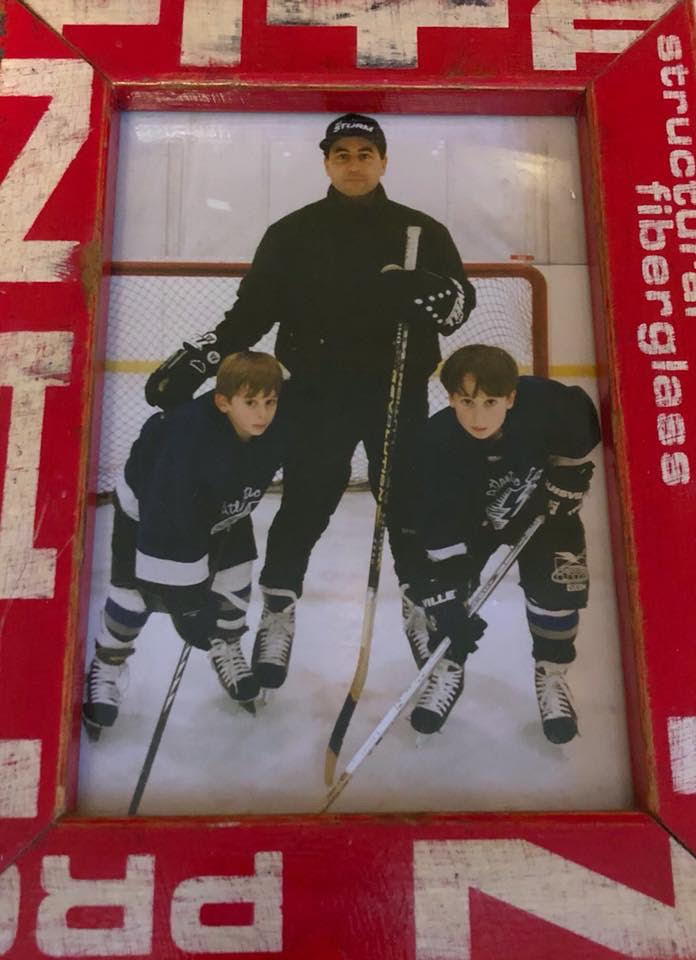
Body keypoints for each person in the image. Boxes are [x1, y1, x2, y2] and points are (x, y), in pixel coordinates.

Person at [144, 113, 476, 693]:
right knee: (306, 503)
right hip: (317, 395)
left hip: (395, 392)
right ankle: (278, 606)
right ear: (326, 162)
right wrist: (205, 352)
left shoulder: (420, 231)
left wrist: (431, 293)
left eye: (364, 153)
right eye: (342, 153)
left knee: (406, 505)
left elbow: (459, 306)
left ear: (383, 161)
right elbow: (251, 313)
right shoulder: (292, 232)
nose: (354, 163)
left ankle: (419, 604)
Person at [83, 351, 287, 738]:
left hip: (221, 508)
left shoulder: (274, 423)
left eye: (269, 401)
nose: (262, 413)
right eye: (250, 403)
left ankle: (226, 646)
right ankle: (107, 664)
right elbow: (169, 529)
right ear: (222, 401)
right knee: (133, 595)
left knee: (235, 576)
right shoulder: (186, 446)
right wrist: (190, 606)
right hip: (150, 512)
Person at [407, 344, 600, 744]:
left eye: (491, 402)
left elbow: (583, 424)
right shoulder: (434, 444)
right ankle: (447, 667)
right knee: (445, 597)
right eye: (466, 401)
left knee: (558, 591)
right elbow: (431, 530)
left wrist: (572, 471)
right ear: (450, 398)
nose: (478, 417)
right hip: (471, 526)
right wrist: (441, 594)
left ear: (511, 397)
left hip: (541, 513)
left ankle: (551, 674)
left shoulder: (546, 403)